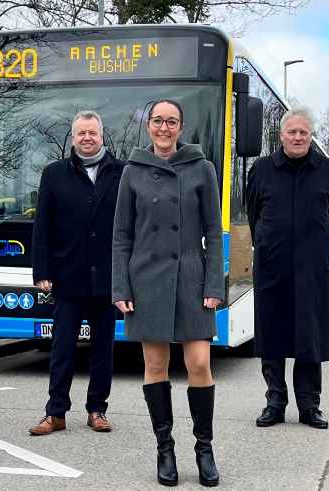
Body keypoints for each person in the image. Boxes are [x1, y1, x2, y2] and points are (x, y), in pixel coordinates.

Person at [112, 99, 224, 487]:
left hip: (192, 280)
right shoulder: (133, 171)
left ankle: (204, 448)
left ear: (181, 127)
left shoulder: (202, 168)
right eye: (157, 121)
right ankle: (165, 449)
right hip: (147, 281)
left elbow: (214, 230)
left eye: (171, 121)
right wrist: (120, 286)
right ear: (149, 126)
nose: (163, 128)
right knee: (155, 367)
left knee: (199, 365)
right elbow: (122, 236)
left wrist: (214, 285)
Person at [244, 106, 329, 431]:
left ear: (311, 135)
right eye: (292, 132)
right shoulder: (261, 170)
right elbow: (254, 214)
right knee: (272, 335)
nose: (298, 137)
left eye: (303, 132)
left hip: (312, 270)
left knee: (310, 336)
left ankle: (309, 405)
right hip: (272, 267)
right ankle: (275, 401)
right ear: (281, 135)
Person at [29, 110, 124, 436]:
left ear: (101, 136)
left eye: (92, 133)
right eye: (81, 133)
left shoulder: (122, 173)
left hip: (107, 280)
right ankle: (55, 413)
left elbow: (131, 227)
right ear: (73, 137)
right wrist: (41, 271)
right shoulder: (54, 174)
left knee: (102, 352)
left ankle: (97, 409)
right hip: (67, 278)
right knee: (62, 351)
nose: (86, 138)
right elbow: (43, 226)